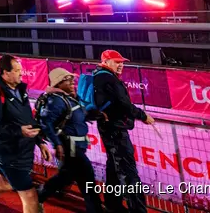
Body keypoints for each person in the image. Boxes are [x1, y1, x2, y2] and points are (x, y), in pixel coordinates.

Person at [0, 54, 51, 213]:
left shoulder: (21, 90)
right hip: (9, 153)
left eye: (21, 70)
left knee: (2, 183)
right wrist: (19, 131)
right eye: (17, 70)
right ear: (5, 73)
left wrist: (40, 142)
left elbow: (28, 119)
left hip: (23, 150)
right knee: (30, 196)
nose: (21, 73)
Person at [94, 50, 155, 213]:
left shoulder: (100, 76)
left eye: (122, 62)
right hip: (115, 131)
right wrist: (142, 115)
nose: (121, 65)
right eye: (116, 61)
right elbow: (123, 104)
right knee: (128, 173)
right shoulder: (108, 78)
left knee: (114, 168)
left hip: (110, 129)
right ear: (106, 62)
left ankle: (112, 206)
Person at [37, 68, 104, 213]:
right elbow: (46, 123)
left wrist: (98, 115)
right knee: (86, 177)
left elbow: (81, 116)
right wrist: (58, 144)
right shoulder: (56, 100)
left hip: (77, 146)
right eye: (68, 79)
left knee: (68, 177)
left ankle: (38, 195)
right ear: (59, 83)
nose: (73, 81)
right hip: (70, 146)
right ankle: (38, 196)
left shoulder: (70, 98)